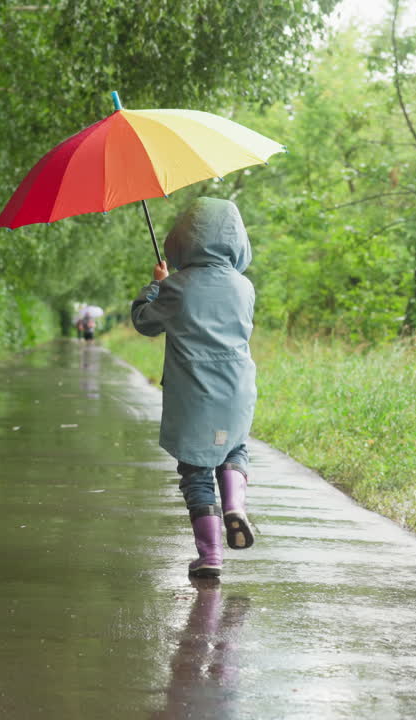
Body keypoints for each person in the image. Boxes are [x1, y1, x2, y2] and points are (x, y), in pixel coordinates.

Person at [131, 197, 257, 578]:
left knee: (197, 471)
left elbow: (145, 322)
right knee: (234, 447)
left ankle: (211, 555)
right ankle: (235, 503)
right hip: (238, 388)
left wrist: (156, 287)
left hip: (194, 394)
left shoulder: (178, 288)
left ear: (181, 240)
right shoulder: (244, 287)